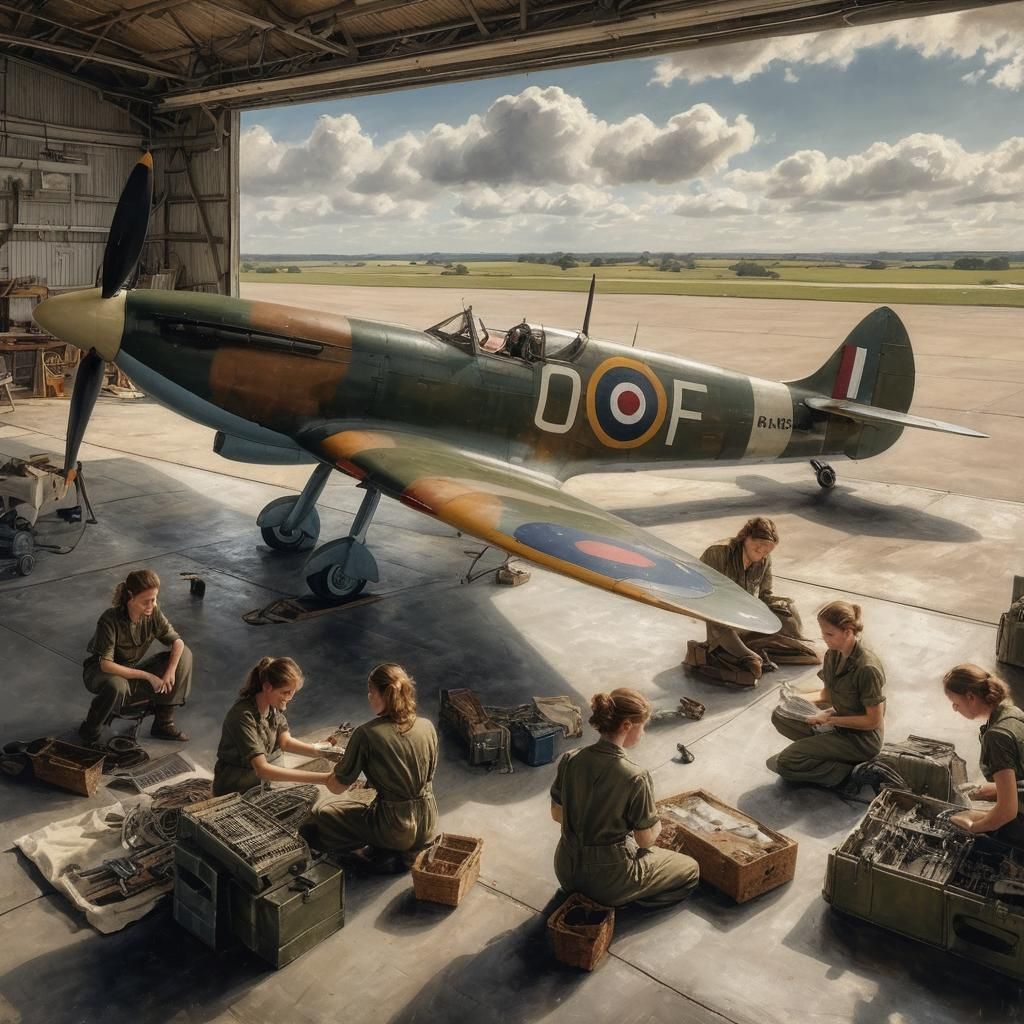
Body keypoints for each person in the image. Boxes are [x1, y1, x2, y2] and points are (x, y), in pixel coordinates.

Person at [550, 688, 699, 908]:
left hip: (565, 869)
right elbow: (645, 840)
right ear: (627, 726)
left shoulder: (571, 759)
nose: (643, 734)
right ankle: (625, 901)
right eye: (643, 727)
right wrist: (654, 823)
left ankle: (612, 893)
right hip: (606, 881)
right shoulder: (635, 776)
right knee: (691, 869)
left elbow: (557, 814)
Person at [313, 663, 438, 867]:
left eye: (371, 692)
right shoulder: (428, 726)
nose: (369, 697)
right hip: (428, 822)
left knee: (323, 813)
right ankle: (402, 851)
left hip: (395, 828)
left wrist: (322, 776)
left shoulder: (366, 733)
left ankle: (368, 853)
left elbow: (336, 787)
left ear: (385, 695)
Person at [766, 600, 886, 792]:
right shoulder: (833, 654)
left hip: (861, 740)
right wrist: (796, 698)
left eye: (829, 634)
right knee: (780, 714)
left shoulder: (867, 668)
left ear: (848, 632)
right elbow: (827, 693)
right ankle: (824, 752)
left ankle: (844, 772)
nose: (824, 639)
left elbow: (872, 721)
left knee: (786, 762)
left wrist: (831, 720)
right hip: (839, 719)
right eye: (823, 633)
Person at [692, 517, 818, 686]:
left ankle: (766, 644)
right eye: (758, 544)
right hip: (719, 615)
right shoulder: (718, 553)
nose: (762, 552)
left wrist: (782, 609)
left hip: (746, 612)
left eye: (767, 550)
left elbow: (765, 595)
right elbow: (699, 589)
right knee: (750, 663)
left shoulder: (764, 558)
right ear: (746, 537)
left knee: (788, 611)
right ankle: (747, 654)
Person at [79, 568, 192, 744]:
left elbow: (177, 642)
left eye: (154, 599)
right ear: (130, 596)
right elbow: (106, 665)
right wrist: (149, 676)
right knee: (116, 684)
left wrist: (170, 671)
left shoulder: (153, 611)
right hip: (100, 672)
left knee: (184, 655)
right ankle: (90, 731)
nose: (151, 605)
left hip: (129, 669)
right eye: (146, 601)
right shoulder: (110, 619)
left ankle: (163, 722)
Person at [212, 656, 335, 796]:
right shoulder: (242, 716)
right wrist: (325, 779)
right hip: (238, 787)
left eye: (291, 693)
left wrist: (324, 752)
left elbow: (286, 742)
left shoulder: (273, 709)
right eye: (285, 692)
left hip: (264, 780)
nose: (289, 698)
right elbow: (262, 769)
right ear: (267, 687)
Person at [942, 664, 1024, 846]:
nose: (955, 708)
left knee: (955, 821)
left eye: (955, 703)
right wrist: (994, 789)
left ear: (970, 697)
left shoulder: (996, 737)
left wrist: (972, 827)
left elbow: (1007, 812)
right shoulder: (1012, 713)